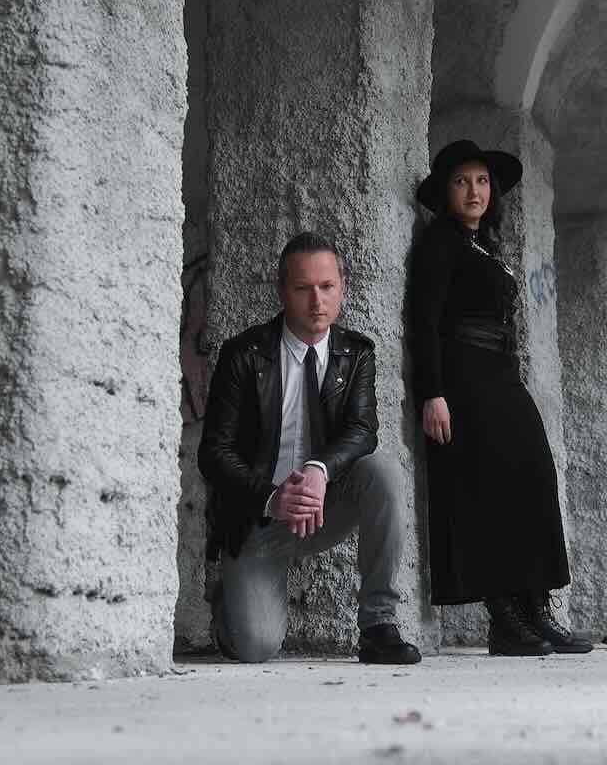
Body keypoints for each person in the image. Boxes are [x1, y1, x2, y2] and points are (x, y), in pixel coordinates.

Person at [198, 233, 421, 665]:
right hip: (258, 518)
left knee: (385, 473)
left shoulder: (356, 354)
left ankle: (378, 625)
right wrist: (270, 496)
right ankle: (230, 601)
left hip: (323, 508)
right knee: (255, 648)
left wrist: (319, 469)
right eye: (302, 288)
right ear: (282, 291)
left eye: (327, 287)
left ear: (343, 288)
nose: (316, 300)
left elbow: (362, 430)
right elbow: (215, 452)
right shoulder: (244, 355)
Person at [411, 139, 592, 656]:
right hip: (462, 379)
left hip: (500, 375)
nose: (474, 191)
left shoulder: (485, 244)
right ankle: (504, 619)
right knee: (486, 492)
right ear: (446, 191)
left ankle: (536, 607)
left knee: (533, 474)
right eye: (462, 181)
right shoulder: (439, 244)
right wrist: (433, 393)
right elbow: (423, 323)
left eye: (483, 181)